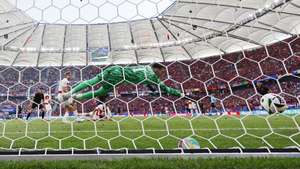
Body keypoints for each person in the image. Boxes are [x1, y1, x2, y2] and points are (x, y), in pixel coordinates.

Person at [61, 64, 184, 102]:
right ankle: (77, 97)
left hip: (115, 68)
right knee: (101, 91)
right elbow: (166, 89)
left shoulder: (145, 66)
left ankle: (70, 93)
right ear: (157, 70)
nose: (162, 75)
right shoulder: (152, 77)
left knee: (92, 81)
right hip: (119, 76)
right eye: (161, 72)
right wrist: (179, 94)